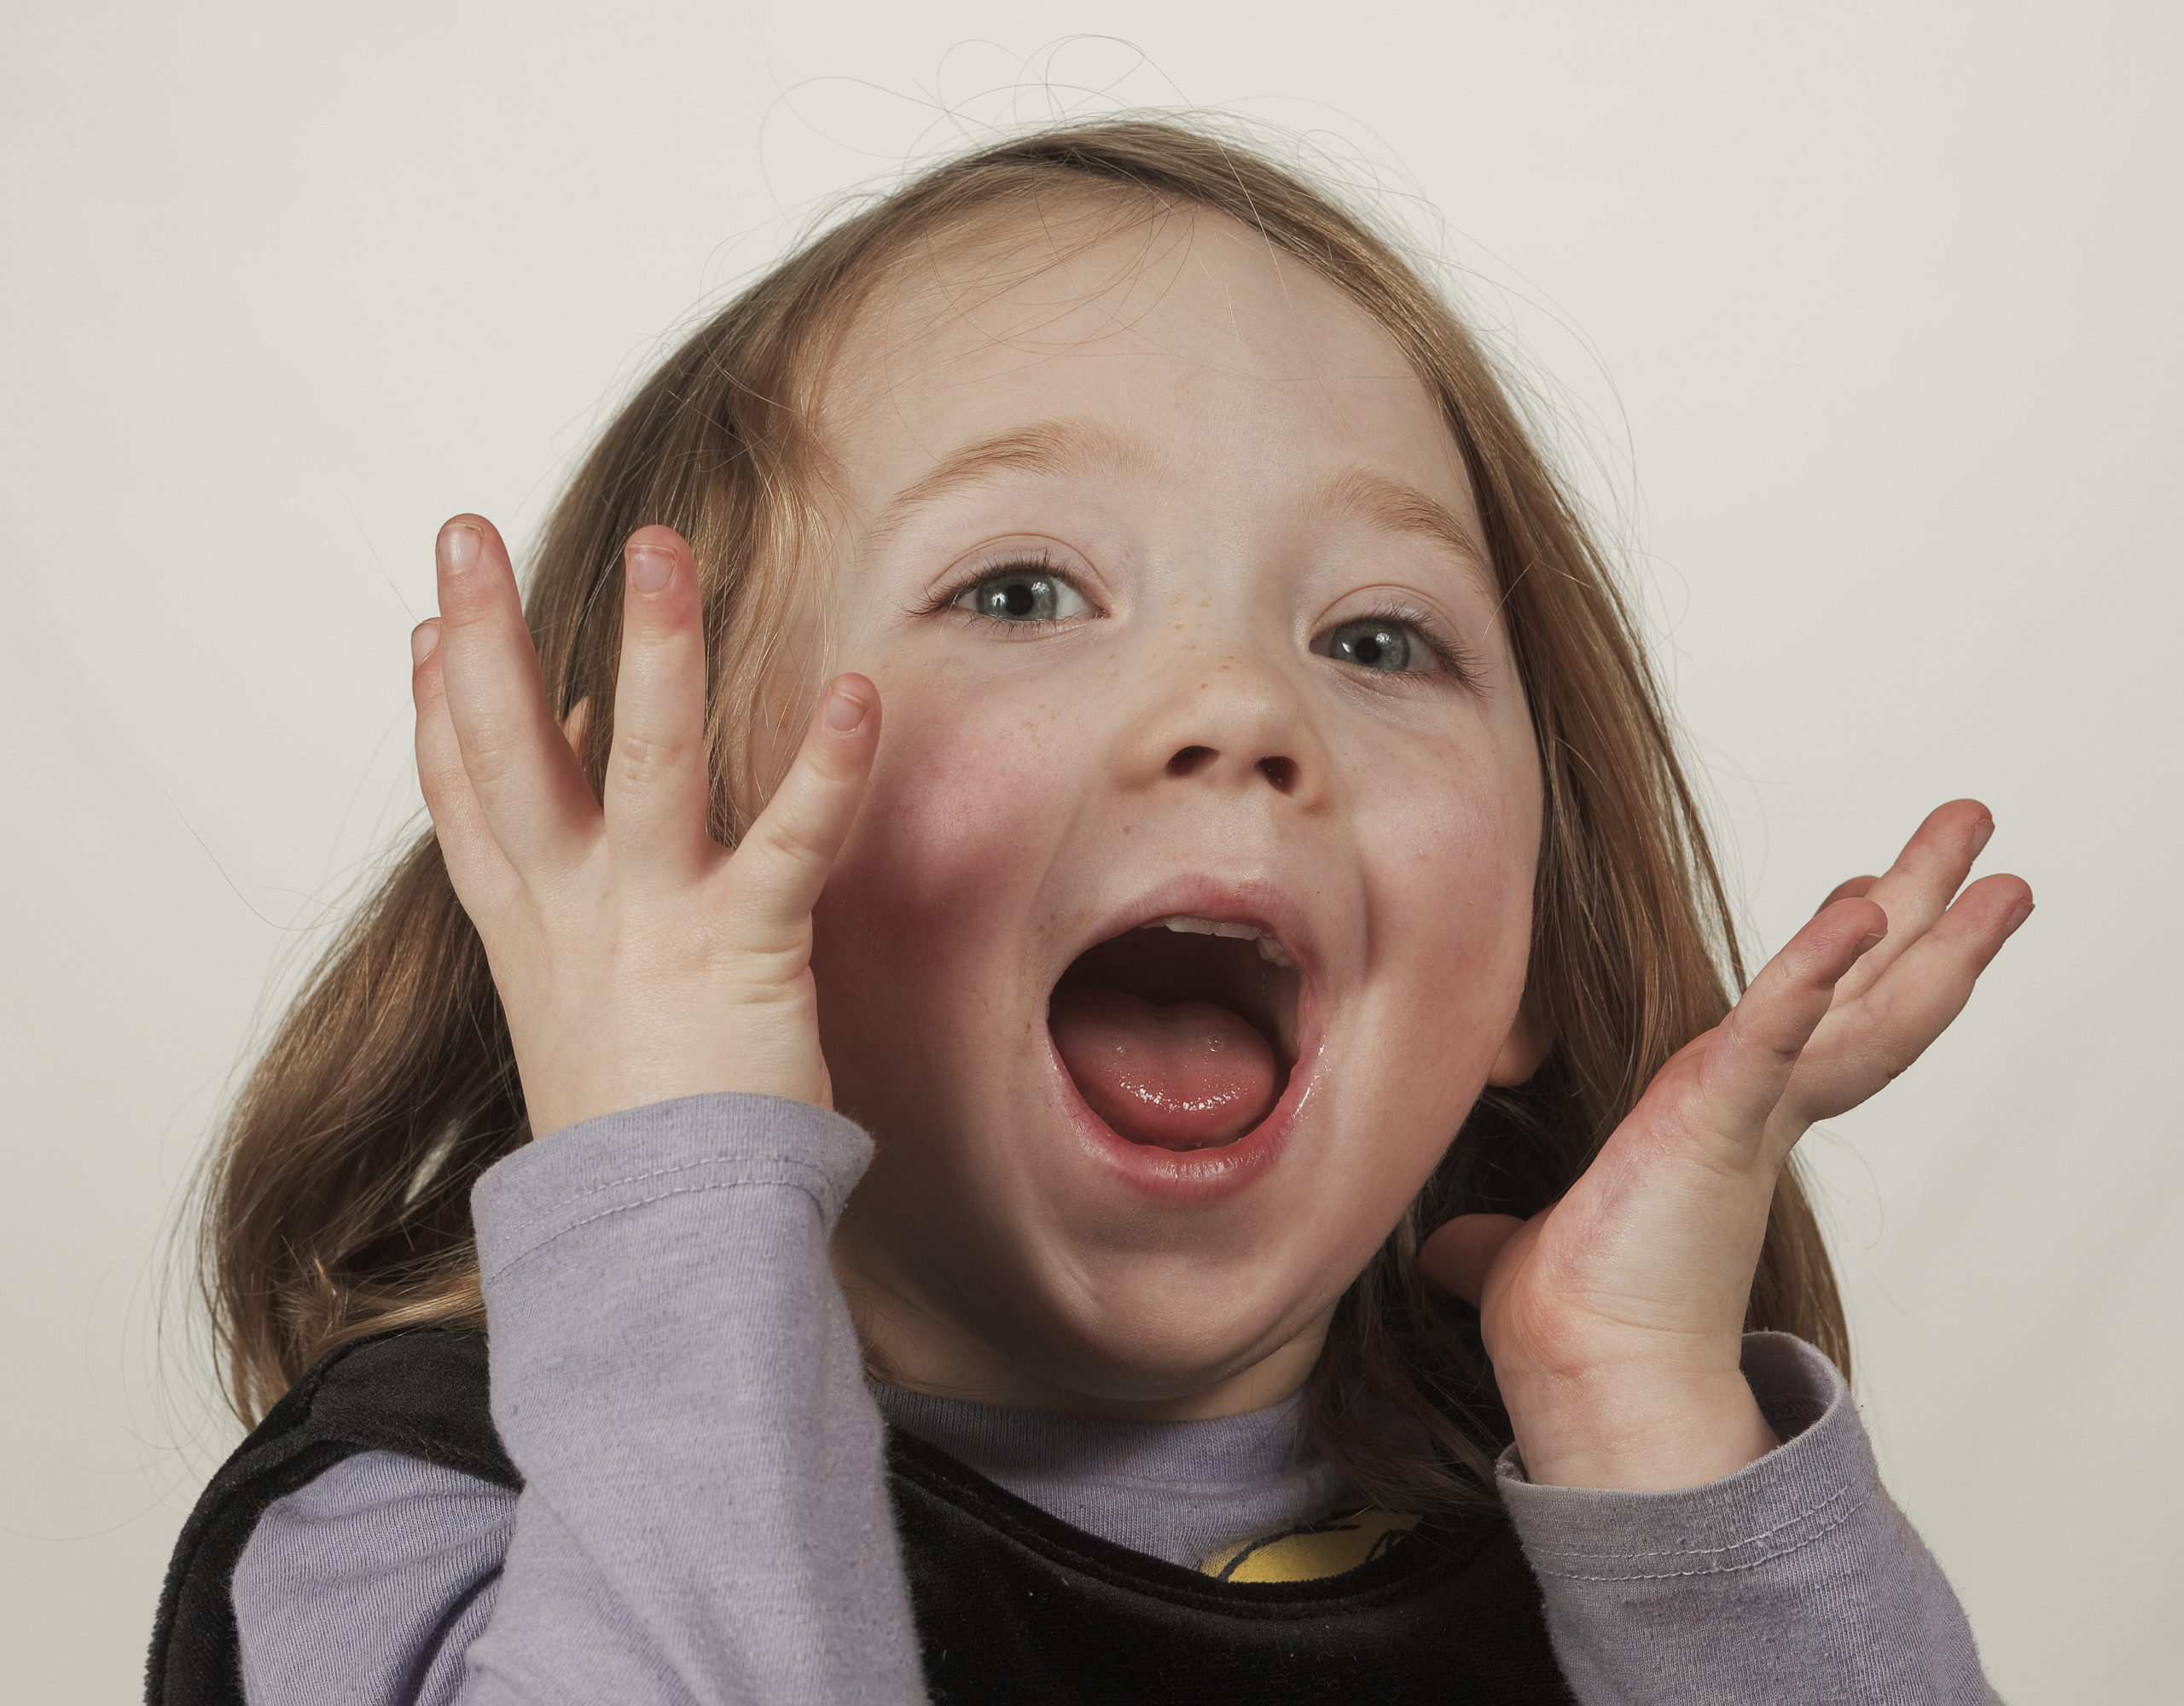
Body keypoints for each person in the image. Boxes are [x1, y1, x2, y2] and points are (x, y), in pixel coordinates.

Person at [150, 118, 2025, 1705]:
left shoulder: (1620, 1526)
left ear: (1523, 958)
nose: (1242, 709)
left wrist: (1644, 1430)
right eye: (1023, 593)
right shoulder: (408, 1526)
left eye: (1377, 637)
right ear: (668, 858)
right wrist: (666, 1165)